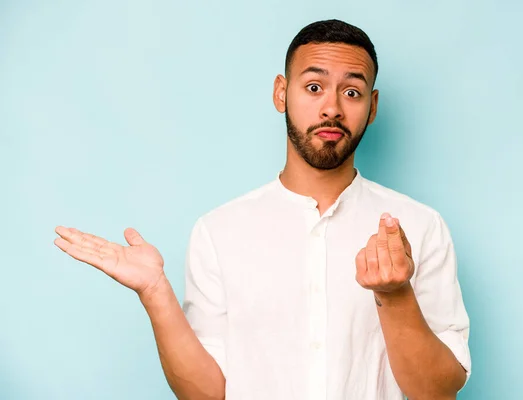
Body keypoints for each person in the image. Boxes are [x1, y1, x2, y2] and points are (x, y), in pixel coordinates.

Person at [54, 19, 471, 400]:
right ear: (280, 93)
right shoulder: (218, 231)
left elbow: (437, 392)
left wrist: (395, 294)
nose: (332, 108)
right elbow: (205, 394)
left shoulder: (420, 227)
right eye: (313, 87)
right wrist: (155, 294)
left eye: (352, 92)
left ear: (372, 106)